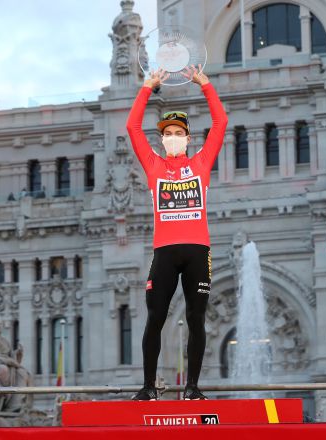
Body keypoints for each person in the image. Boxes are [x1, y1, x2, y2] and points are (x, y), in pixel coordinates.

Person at [126, 65, 227, 400]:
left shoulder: (200, 163)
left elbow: (221, 123)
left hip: (198, 250)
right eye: (166, 133)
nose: (171, 138)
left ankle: (193, 387)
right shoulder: (155, 165)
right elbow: (131, 127)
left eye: (176, 133)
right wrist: (146, 87)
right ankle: (147, 386)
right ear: (162, 139)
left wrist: (205, 83)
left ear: (187, 138)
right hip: (164, 252)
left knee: (197, 319)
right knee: (155, 316)